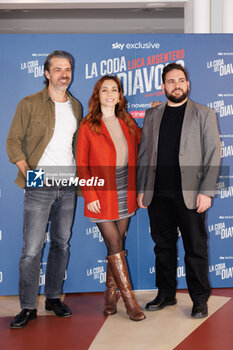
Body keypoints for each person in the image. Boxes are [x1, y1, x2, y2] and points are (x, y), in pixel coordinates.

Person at [137, 63, 221, 318]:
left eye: (181, 80)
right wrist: (142, 188)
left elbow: (213, 154)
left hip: (191, 195)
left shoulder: (204, 113)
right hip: (158, 195)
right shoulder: (152, 115)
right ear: (163, 86)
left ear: (188, 84)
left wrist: (206, 191)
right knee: (163, 248)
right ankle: (165, 294)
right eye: (171, 81)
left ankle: (199, 299)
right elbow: (144, 154)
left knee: (195, 249)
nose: (176, 85)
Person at [6, 50, 82, 328]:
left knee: (62, 244)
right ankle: (28, 306)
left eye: (69, 69)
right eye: (58, 69)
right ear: (47, 73)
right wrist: (31, 173)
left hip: (68, 183)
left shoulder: (76, 106)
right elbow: (13, 142)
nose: (64, 74)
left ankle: (52, 298)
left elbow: (74, 147)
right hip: (39, 183)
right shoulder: (28, 103)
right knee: (32, 250)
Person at [76, 75, 145, 321]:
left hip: (126, 189)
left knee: (117, 245)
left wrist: (156, 113)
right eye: (104, 90)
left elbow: (144, 140)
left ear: (119, 95)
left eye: (113, 90)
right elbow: (82, 165)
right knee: (115, 245)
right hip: (102, 192)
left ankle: (109, 294)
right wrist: (89, 194)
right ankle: (129, 302)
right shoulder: (88, 125)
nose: (109, 94)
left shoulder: (126, 121)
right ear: (98, 94)